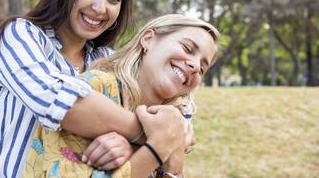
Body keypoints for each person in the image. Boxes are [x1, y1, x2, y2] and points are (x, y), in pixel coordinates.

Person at [0, 0, 187, 177]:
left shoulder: (110, 61)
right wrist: (154, 134)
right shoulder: (20, 35)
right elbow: (63, 106)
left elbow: (168, 125)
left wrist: (131, 144)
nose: (100, 8)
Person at [24, 14, 220, 178]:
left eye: (203, 68)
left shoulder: (172, 122)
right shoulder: (94, 89)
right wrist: (157, 148)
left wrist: (170, 156)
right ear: (148, 39)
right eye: (187, 48)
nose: (195, 66)